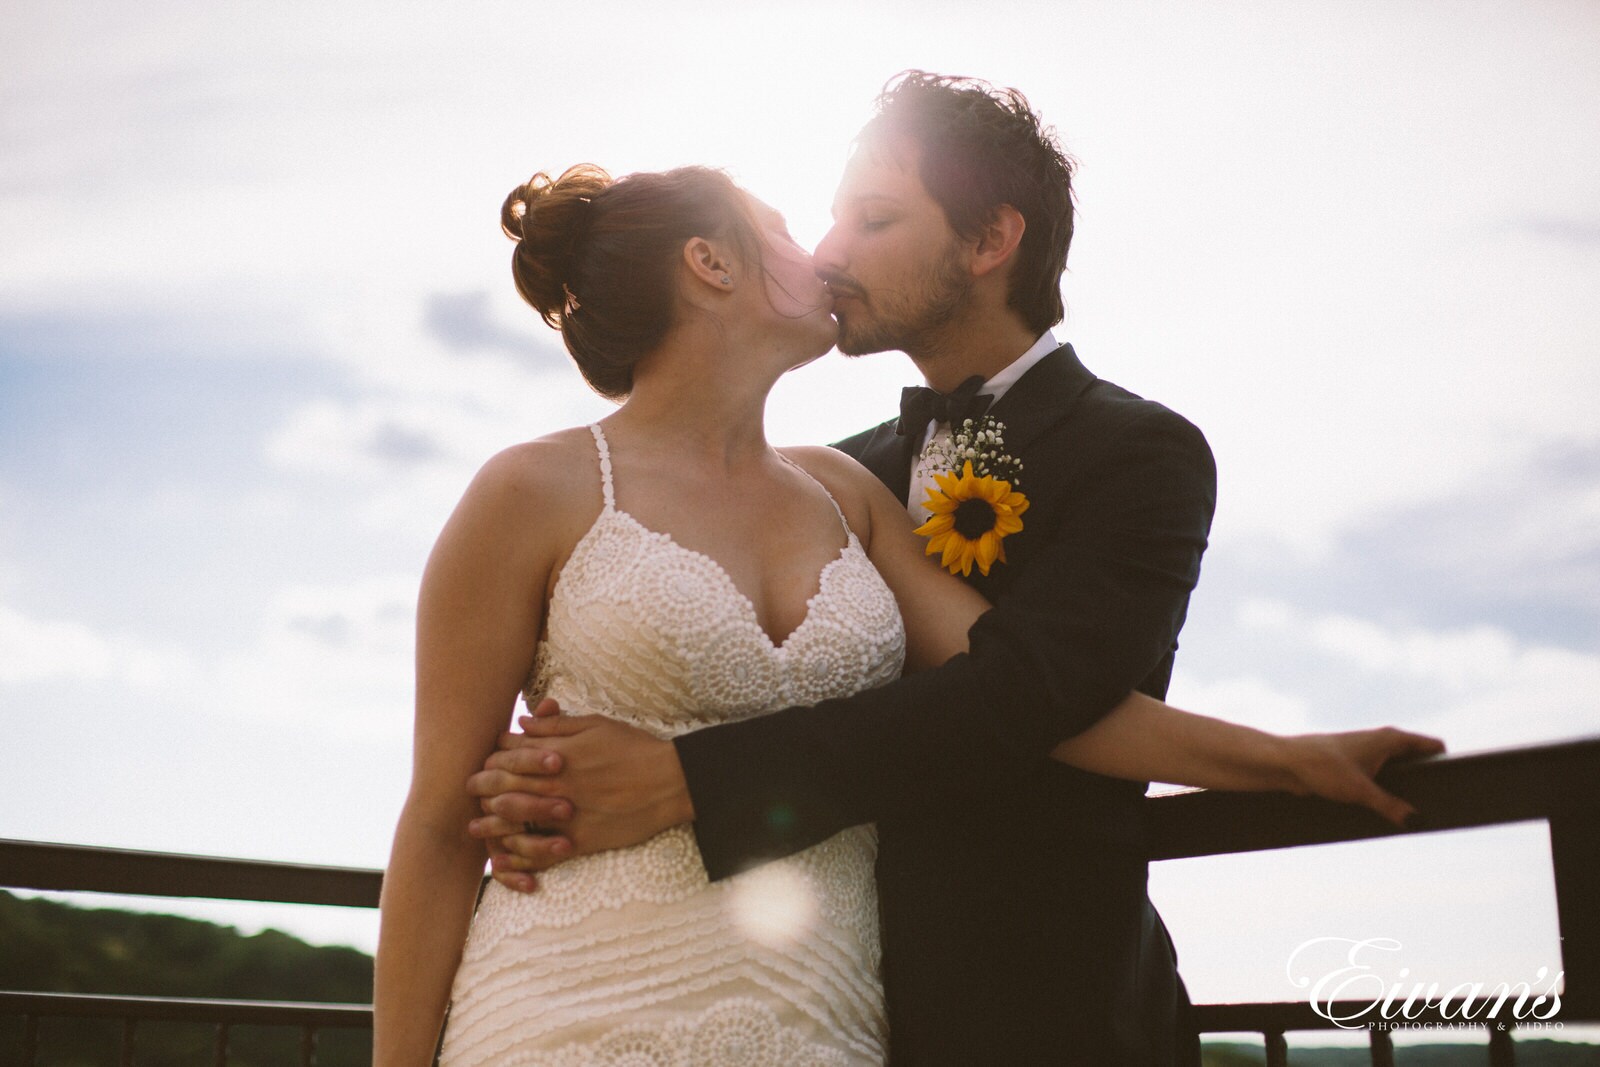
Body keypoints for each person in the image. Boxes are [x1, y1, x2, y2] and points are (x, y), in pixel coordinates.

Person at [462, 74, 1443, 1065]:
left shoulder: (1139, 452)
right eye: (828, 219)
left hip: (1044, 1004)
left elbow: (1021, 693)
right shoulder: (830, 477)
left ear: (987, 242)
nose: (832, 251)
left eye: (873, 219)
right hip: (820, 991)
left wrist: (684, 778)